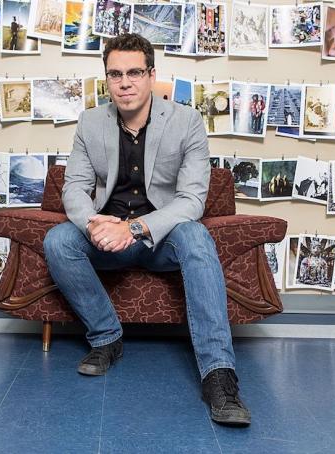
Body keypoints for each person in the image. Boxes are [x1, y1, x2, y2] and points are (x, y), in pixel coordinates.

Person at [43, 33, 251, 426]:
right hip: (105, 235)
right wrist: (93, 223)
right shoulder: (90, 122)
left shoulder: (187, 121)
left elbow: (192, 201)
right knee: (58, 240)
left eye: (135, 72)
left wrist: (133, 228)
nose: (125, 82)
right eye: (115, 74)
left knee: (196, 235)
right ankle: (107, 338)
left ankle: (218, 375)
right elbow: (73, 187)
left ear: (151, 75)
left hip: (162, 239)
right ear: (107, 79)